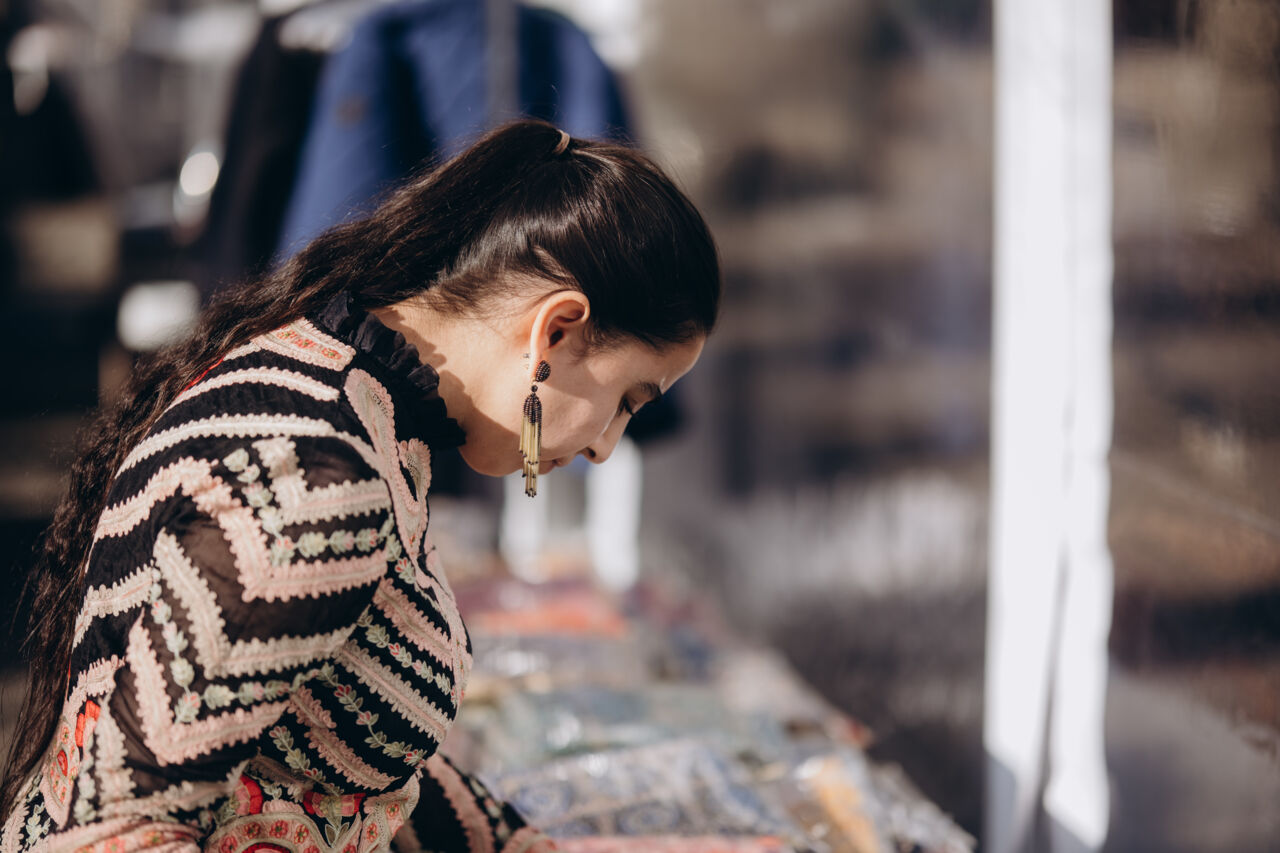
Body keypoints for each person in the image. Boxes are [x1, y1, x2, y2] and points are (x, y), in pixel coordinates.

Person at [0, 119, 719, 853]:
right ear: (557, 329)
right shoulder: (319, 479)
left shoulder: (352, 403)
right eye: (627, 400)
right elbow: (118, 827)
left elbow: (339, 745)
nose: (604, 447)